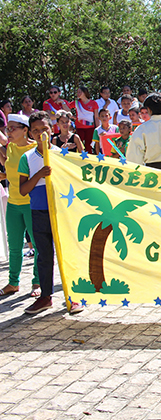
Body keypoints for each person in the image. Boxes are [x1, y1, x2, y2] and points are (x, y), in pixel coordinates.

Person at [19, 112, 82, 314]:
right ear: (30, 132)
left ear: (51, 129)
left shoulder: (61, 155)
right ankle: (45, 297)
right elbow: (23, 189)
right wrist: (40, 174)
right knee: (44, 255)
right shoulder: (27, 158)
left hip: (61, 212)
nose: (40, 133)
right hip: (38, 212)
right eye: (35, 130)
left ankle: (73, 296)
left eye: (44, 129)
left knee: (67, 253)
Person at [0, 114, 39, 297]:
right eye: (7, 128)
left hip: (32, 204)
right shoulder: (10, 148)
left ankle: (38, 282)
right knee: (14, 246)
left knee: (38, 246)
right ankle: (13, 283)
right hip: (13, 203)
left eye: (12, 128)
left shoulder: (36, 149)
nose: (8, 132)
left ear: (25, 130)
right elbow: (12, 171)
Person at [75, 86, 99, 150]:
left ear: (85, 92)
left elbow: (96, 117)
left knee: (89, 145)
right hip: (79, 127)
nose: (78, 94)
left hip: (90, 128)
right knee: (79, 145)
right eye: (77, 92)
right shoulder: (76, 102)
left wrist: (98, 128)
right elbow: (67, 108)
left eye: (80, 92)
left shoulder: (93, 103)